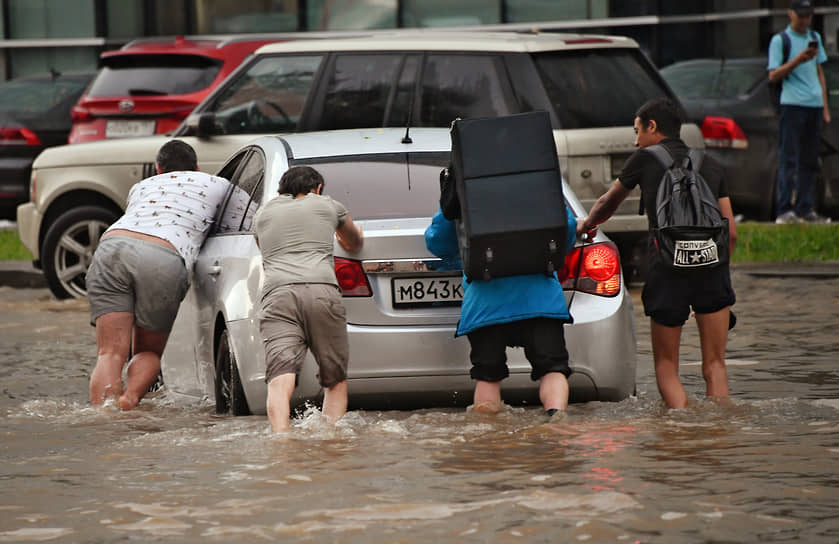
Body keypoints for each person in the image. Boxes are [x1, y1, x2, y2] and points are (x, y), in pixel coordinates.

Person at [577, 97, 737, 409]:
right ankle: (719, 434)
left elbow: (608, 202)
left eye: (637, 131)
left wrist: (587, 224)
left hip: (667, 267)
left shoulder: (644, 159)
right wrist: (715, 273)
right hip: (712, 267)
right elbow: (730, 231)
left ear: (653, 126)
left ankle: (680, 430)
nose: (636, 140)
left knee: (666, 367)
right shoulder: (711, 163)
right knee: (715, 365)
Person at [86, 140, 231, 410]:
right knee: (148, 351)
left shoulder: (141, 187)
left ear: (158, 169)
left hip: (111, 247)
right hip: (163, 254)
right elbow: (242, 222)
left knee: (109, 353)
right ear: (197, 167)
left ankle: (101, 416)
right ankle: (129, 400)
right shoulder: (219, 185)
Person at [424, 201, 577, 419]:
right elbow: (567, 229)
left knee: (487, 376)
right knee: (552, 369)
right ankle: (556, 424)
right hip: (540, 300)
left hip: (485, 304)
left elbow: (439, 242)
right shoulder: (537, 176)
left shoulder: (465, 179)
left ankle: (490, 439)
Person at [253, 166, 363, 432]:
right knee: (334, 378)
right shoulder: (328, 205)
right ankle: (329, 440)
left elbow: (265, 251)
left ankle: (282, 441)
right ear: (318, 188)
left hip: (277, 295)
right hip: (320, 291)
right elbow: (353, 243)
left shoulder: (262, 213)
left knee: (279, 378)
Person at [768, 0, 831, 224]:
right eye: (801, 16)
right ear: (790, 14)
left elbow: (819, 71)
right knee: (789, 158)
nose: (805, 20)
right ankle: (784, 209)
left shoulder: (814, 38)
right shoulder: (780, 41)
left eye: (808, 16)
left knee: (810, 160)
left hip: (813, 105)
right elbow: (773, 75)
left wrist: (825, 106)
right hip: (792, 104)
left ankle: (805, 208)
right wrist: (797, 60)